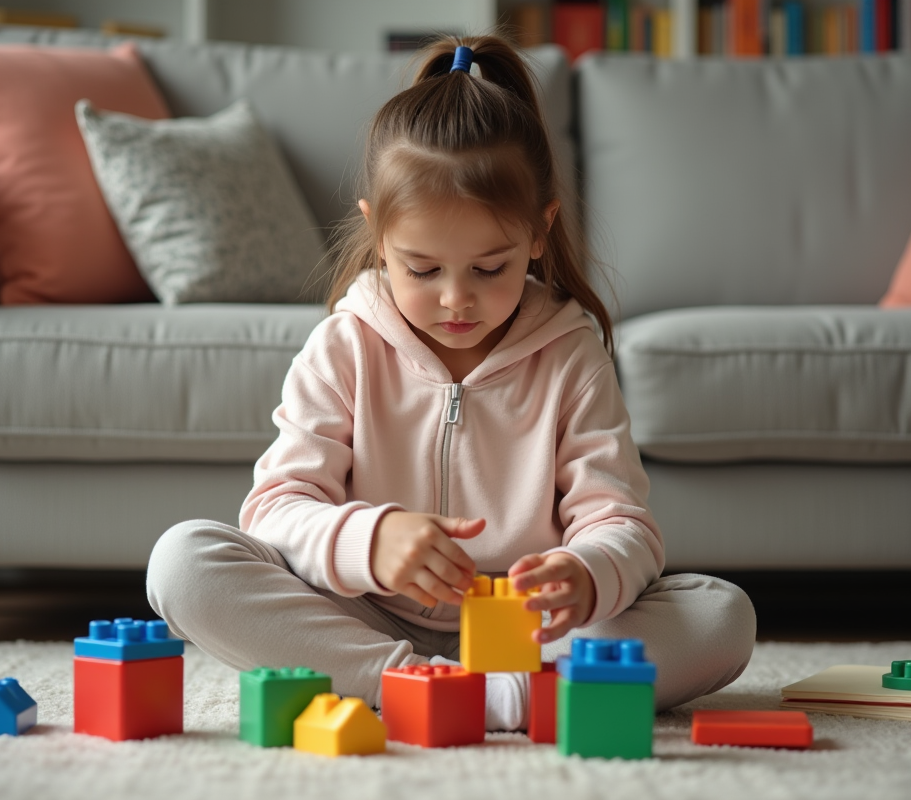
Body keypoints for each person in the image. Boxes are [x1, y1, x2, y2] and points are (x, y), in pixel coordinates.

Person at [147, 34, 756, 732]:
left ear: (539, 231)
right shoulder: (345, 346)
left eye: (489, 269)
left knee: (721, 614)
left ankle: (501, 694)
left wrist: (587, 575)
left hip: (529, 636)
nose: (456, 300)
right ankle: (420, 684)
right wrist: (369, 541)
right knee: (182, 562)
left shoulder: (571, 354)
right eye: (423, 269)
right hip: (365, 620)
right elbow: (276, 508)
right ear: (378, 235)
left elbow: (621, 522)